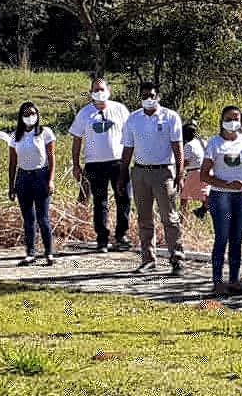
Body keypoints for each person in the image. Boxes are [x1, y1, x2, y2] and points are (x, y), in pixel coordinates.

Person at [118, 83, 185, 274]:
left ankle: (177, 258)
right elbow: (127, 149)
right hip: (140, 172)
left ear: (158, 96)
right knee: (144, 218)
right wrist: (122, 176)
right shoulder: (133, 119)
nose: (148, 98)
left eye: (152, 95)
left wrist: (180, 173)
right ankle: (148, 259)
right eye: (145, 95)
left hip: (163, 172)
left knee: (170, 218)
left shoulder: (170, 117)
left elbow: (177, 147)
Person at [69, 77, 132, 252]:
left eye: (102, 89)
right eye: (95, 90)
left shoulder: (120, 110)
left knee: (124, 198)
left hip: (118, 162)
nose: (99, 93)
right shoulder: (84, 113)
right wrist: (76, 165)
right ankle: (102, 239)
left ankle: (121, 236)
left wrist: (129, 159)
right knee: (100, 202)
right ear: (91, 93)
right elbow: (76, 140)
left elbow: (130, 135)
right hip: (94, 164)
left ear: (109, 91)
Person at [201, 106, 242, 295]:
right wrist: (226, 184)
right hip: (221, 195)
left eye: (237, 118)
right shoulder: (214, 143)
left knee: (237, 239)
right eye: (229, 118)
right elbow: (204, 175)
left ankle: (234, 281)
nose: (233, 122)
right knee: (222, 238)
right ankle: (217, 282)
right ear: (222, 120)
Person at [7, 101, 56, 265]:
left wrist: (50, 180)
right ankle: (30, 252)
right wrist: (11, 185)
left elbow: (51, 158)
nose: (30, 117)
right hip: (23, 177)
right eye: (26, 114)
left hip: (40, 176)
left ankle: (49, 252)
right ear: (21, 117)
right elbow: (12, 162)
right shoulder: (15, 136)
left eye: (33, 114)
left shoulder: (44, 133)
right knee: (28, 218)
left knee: (43, 218)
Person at [180, 119, 208, 220]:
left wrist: (179, 171)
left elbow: (186, 162)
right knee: (206, 195)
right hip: (207, 171)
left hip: (194, 172)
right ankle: (202, 211)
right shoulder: (203, 142)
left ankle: (183, 217)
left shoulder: (188, 145)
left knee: (184, 197)